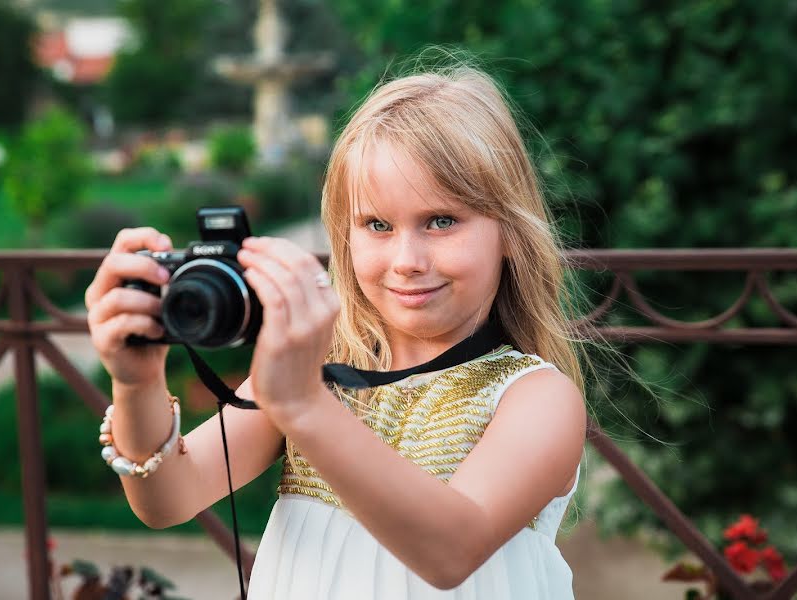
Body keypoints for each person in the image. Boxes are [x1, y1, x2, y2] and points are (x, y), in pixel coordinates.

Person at [85, 63, 588, 599]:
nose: (407, 260)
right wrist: (136, 383)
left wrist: (302, 405)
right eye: (377, 225)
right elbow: (167, 498)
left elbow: (451, 552)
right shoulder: (320, 376)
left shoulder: (537, 397)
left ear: (509, 232)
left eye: (441, 221)